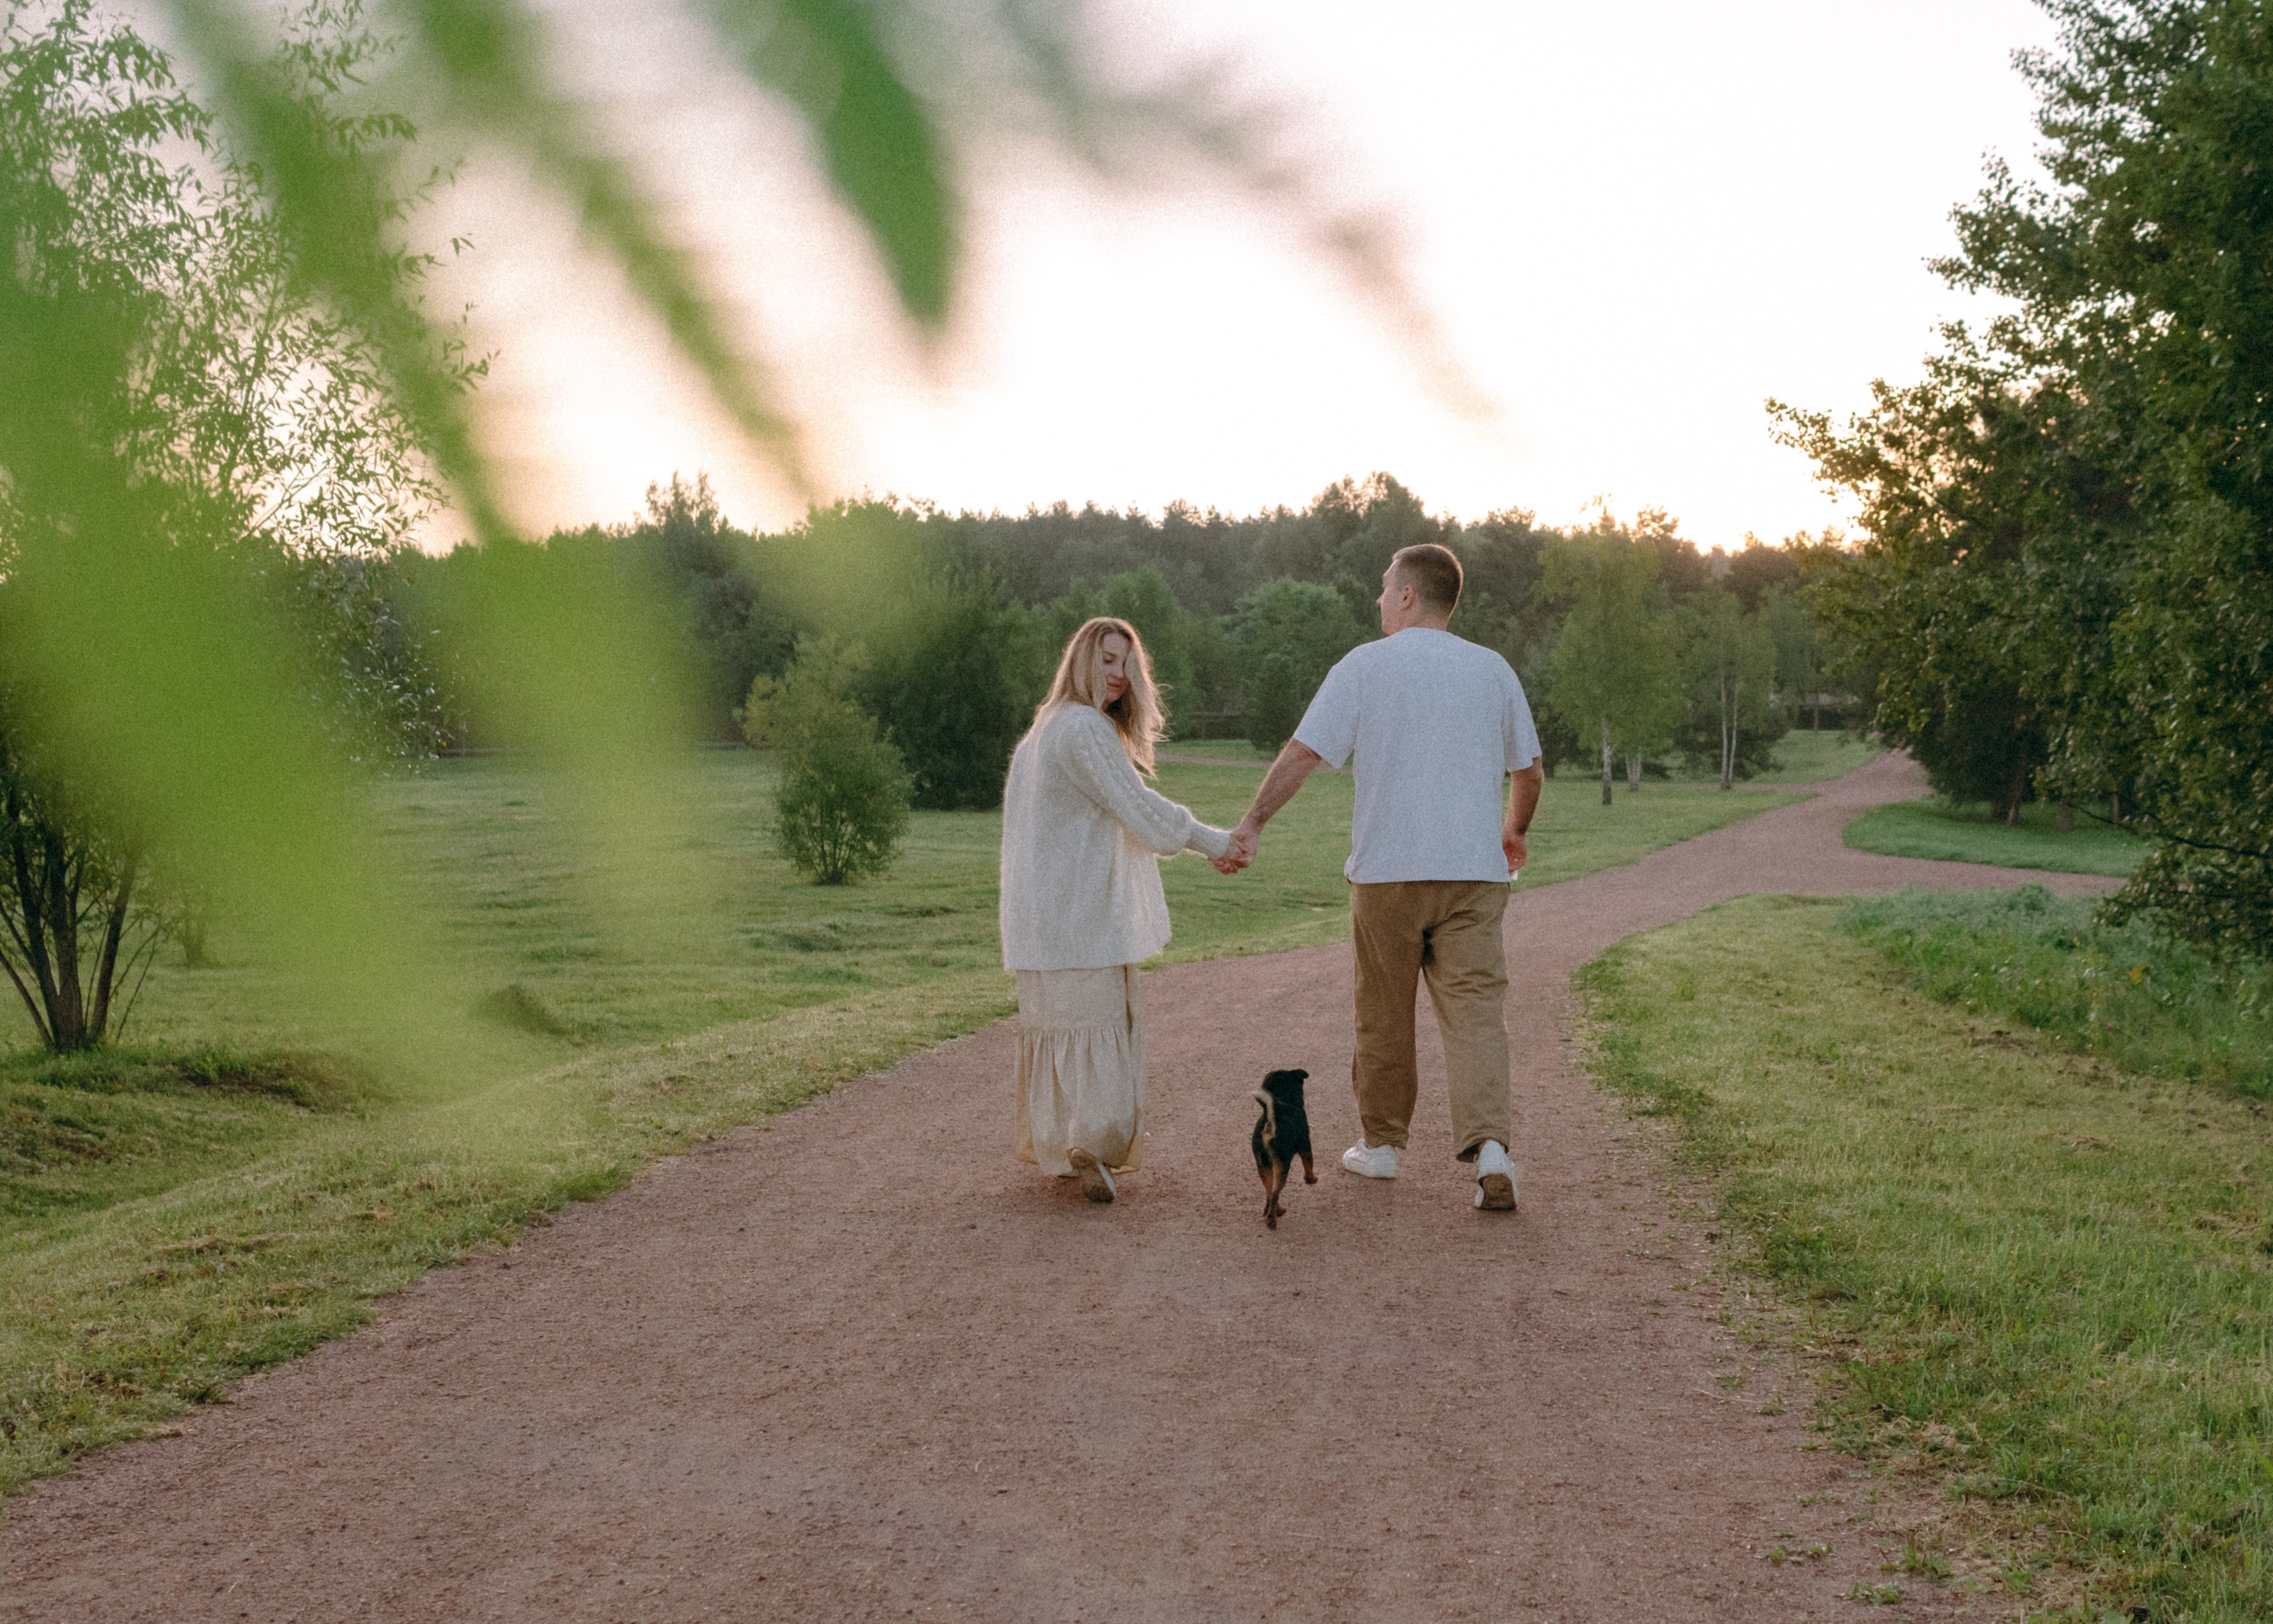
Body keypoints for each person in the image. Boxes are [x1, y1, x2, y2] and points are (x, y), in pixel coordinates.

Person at [1226, 543, 1543, 1211]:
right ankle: (1491, 1149)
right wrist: (1512, 832)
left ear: (1408, 595)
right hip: (1474, 876)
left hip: (1386, 874)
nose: (1377, 599)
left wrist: (1253, 821)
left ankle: (1383, 1147)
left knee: (1384, 1011)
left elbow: (1304, 752)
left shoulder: (1364, 667)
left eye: (1383, 587)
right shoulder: (1493, 670)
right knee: (1477, 1015)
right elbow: (1529, 772)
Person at [999, 616, 1241, 1203]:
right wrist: (1217, 841)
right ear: (1079, 660)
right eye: (1106, 659)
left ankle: (1067, 1145)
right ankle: (1092, 1144)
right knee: (1102, 1028)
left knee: (1062, 1031)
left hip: (1039, 920)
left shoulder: (1042, 732)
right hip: (1080, 914)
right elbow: (1139, 806)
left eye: (1127, 665)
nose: (1118, 674)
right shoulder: (1082, 729)